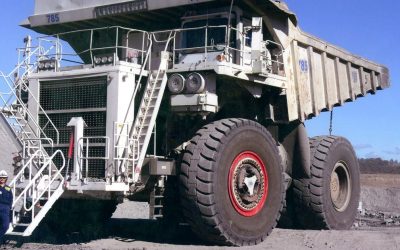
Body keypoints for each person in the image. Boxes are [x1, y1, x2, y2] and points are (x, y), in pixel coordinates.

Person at [0, 170, 12, 243]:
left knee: (5, 226)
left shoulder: (8, 188)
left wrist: (9, 207)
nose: (2, 179)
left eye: (4, 178)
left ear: (6, 179)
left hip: (5, 209)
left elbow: (11, 198)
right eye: (1, 177)